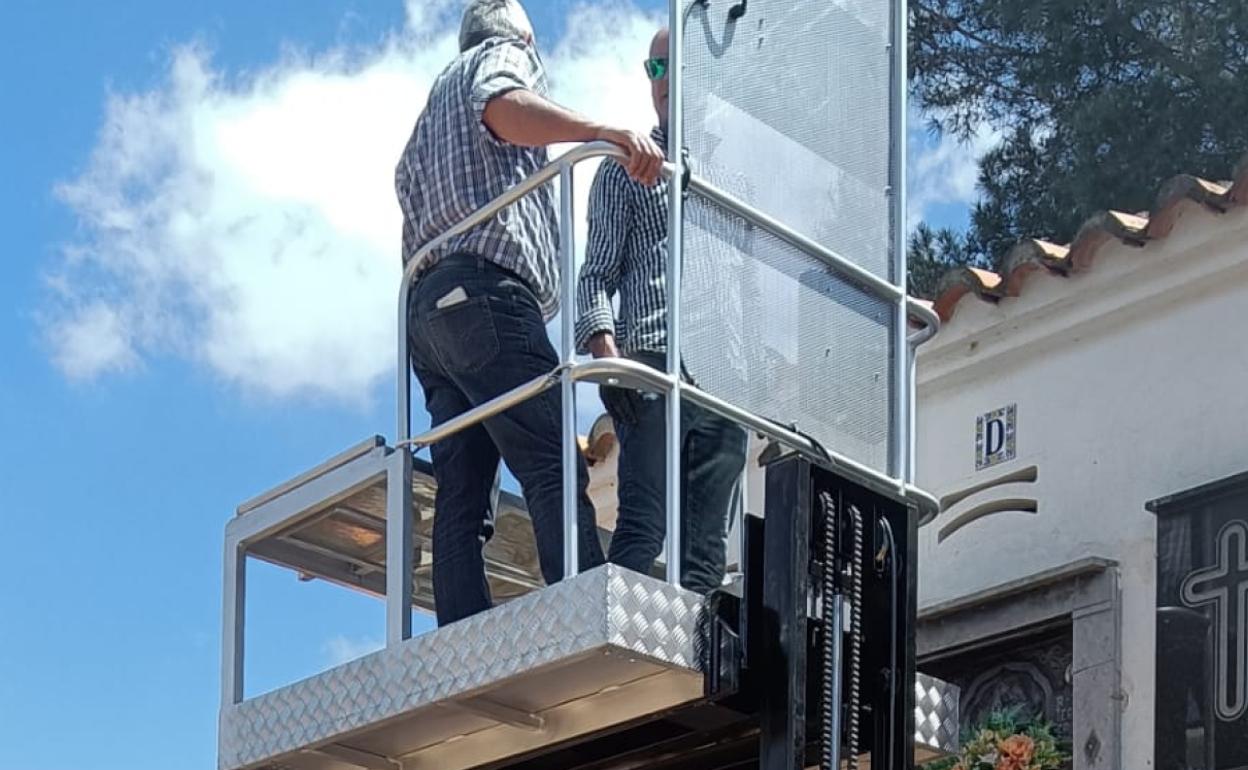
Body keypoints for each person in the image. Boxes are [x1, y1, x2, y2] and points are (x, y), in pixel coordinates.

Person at [395, 0, 666, 626]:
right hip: (487, 296)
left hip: (426, 313)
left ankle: (460, 634)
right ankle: (586, 615)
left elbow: (406, 186)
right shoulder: (500, 57)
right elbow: (502, 106)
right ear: (520, 35)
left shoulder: (426, 115)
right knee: (551, 462)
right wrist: (602, 133)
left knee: (462, 493)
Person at [575, 27, 748, 595]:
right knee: (645, 524)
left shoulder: (734, 182)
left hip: (721, 380)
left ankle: (700, 678)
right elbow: (595, 273)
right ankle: (611, 635)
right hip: (650, 361)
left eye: (672, 66)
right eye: (653, 70)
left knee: (706, 552)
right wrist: (608, 358)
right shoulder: (624, 166)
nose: (664, 81)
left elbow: (748, 288)